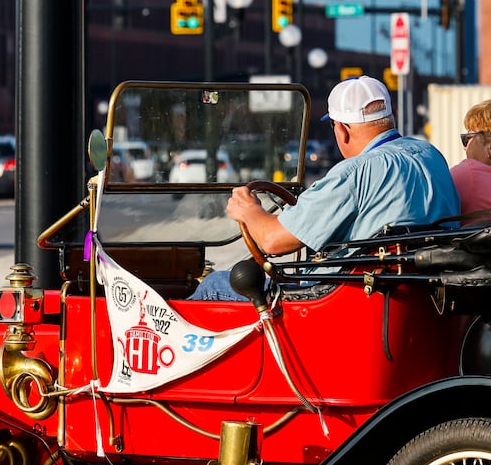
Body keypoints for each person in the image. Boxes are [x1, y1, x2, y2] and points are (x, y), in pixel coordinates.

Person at [192, 75, 459, 300]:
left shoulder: (354, 173)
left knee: (214, 285)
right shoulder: (430, 155)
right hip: (415, 297)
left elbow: (272, 240)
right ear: (391, 116)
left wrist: (249, 210)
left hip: (341, 301)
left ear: (341, 129)